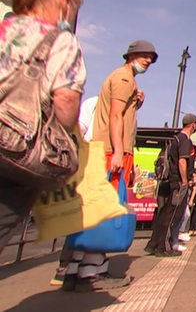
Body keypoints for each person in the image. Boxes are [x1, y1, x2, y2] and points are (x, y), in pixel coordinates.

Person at [58, 40, 158, 292]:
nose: (148, 61)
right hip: (111, 151)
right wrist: (116, 152)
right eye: (145, 56)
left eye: (151, 58)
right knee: (104, 210)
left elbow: (120, 112)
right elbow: (115, 116)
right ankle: (93, 272)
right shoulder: (124, 79)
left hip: (102, 150)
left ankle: (73, 270)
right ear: (131, 55)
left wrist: (137, 102)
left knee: (91, 210)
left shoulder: (121, 78)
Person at [0, 0, 86, 253]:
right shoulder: (61, 41)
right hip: (13, 148)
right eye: (72, 7)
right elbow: (65, 100)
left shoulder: (4, 27)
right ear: (63, 2)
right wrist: (64, 136)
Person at [144, 113, 196, 257]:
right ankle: (163, 247)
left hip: (171, 181)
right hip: (178, 183)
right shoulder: (185, 140)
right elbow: (182, 161)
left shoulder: (175, 138)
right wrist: (183, 180)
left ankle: (153, 244)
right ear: (193, 124)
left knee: (165, 213)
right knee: (172, 215)